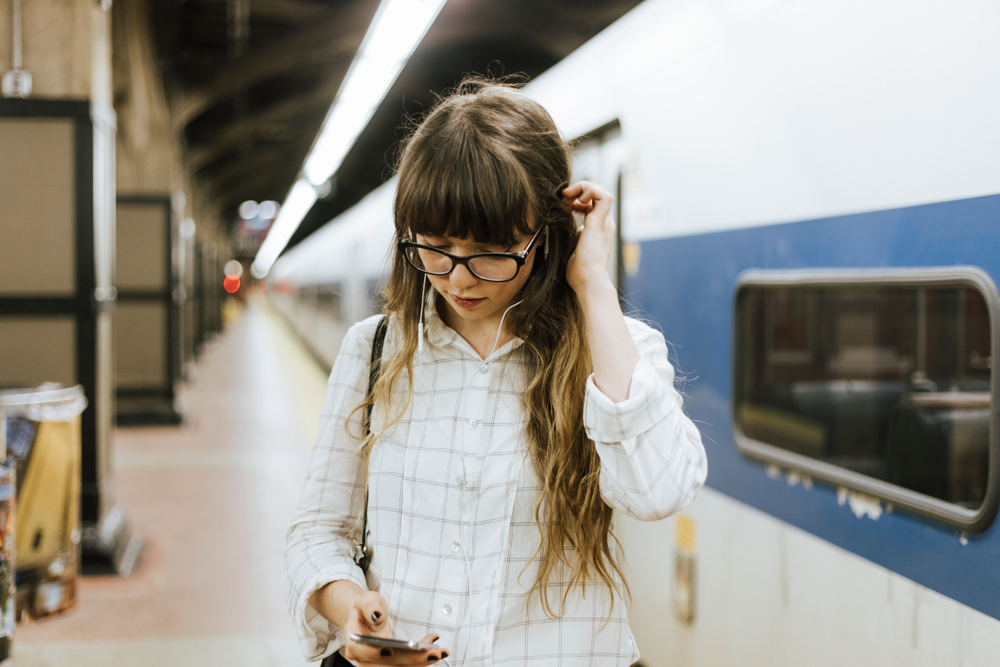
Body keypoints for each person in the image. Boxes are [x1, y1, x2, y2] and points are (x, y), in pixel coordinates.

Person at [285, 79, 707, 667]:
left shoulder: (614, 353)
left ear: (547, 234)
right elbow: (317, 531)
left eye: (492, 251)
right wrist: (351, 607)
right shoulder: (375, 350)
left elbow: (658, 491)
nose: (458, 279)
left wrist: (593, 284)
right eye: (434, 245)